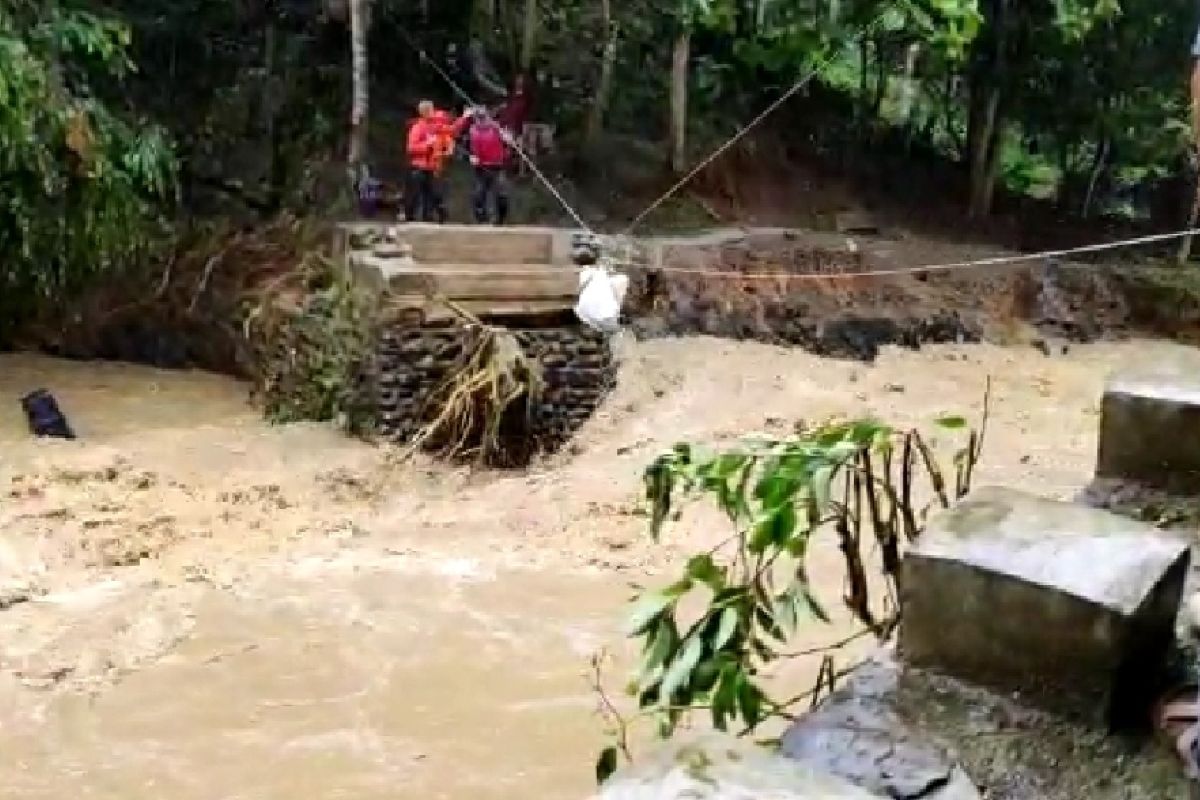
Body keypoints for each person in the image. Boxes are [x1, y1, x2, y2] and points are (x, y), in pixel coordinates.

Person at [467, 110, 511, 224]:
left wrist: (508, 139)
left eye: (483, 118)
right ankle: (482, 220)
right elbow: (469, 146)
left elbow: (508, 143)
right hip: (480, 167)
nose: (481, 120)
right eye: (478, 118)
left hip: (497, 166)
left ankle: (500, 219)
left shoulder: (496, 129)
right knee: (478, 194)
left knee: (501, 195)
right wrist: (472, 156)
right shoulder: (472, 130)